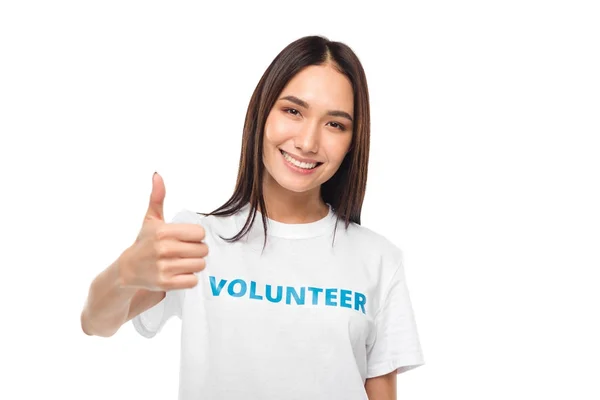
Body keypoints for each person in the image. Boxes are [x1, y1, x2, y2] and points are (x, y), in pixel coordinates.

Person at [80, 35, 425, 399]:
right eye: (293, 111)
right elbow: (95, 323)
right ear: (262, 113)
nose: (308, 142)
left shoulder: (378, 259)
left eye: (335, 124)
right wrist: (125, 271)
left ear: (354, 141)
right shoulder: (197, 239)